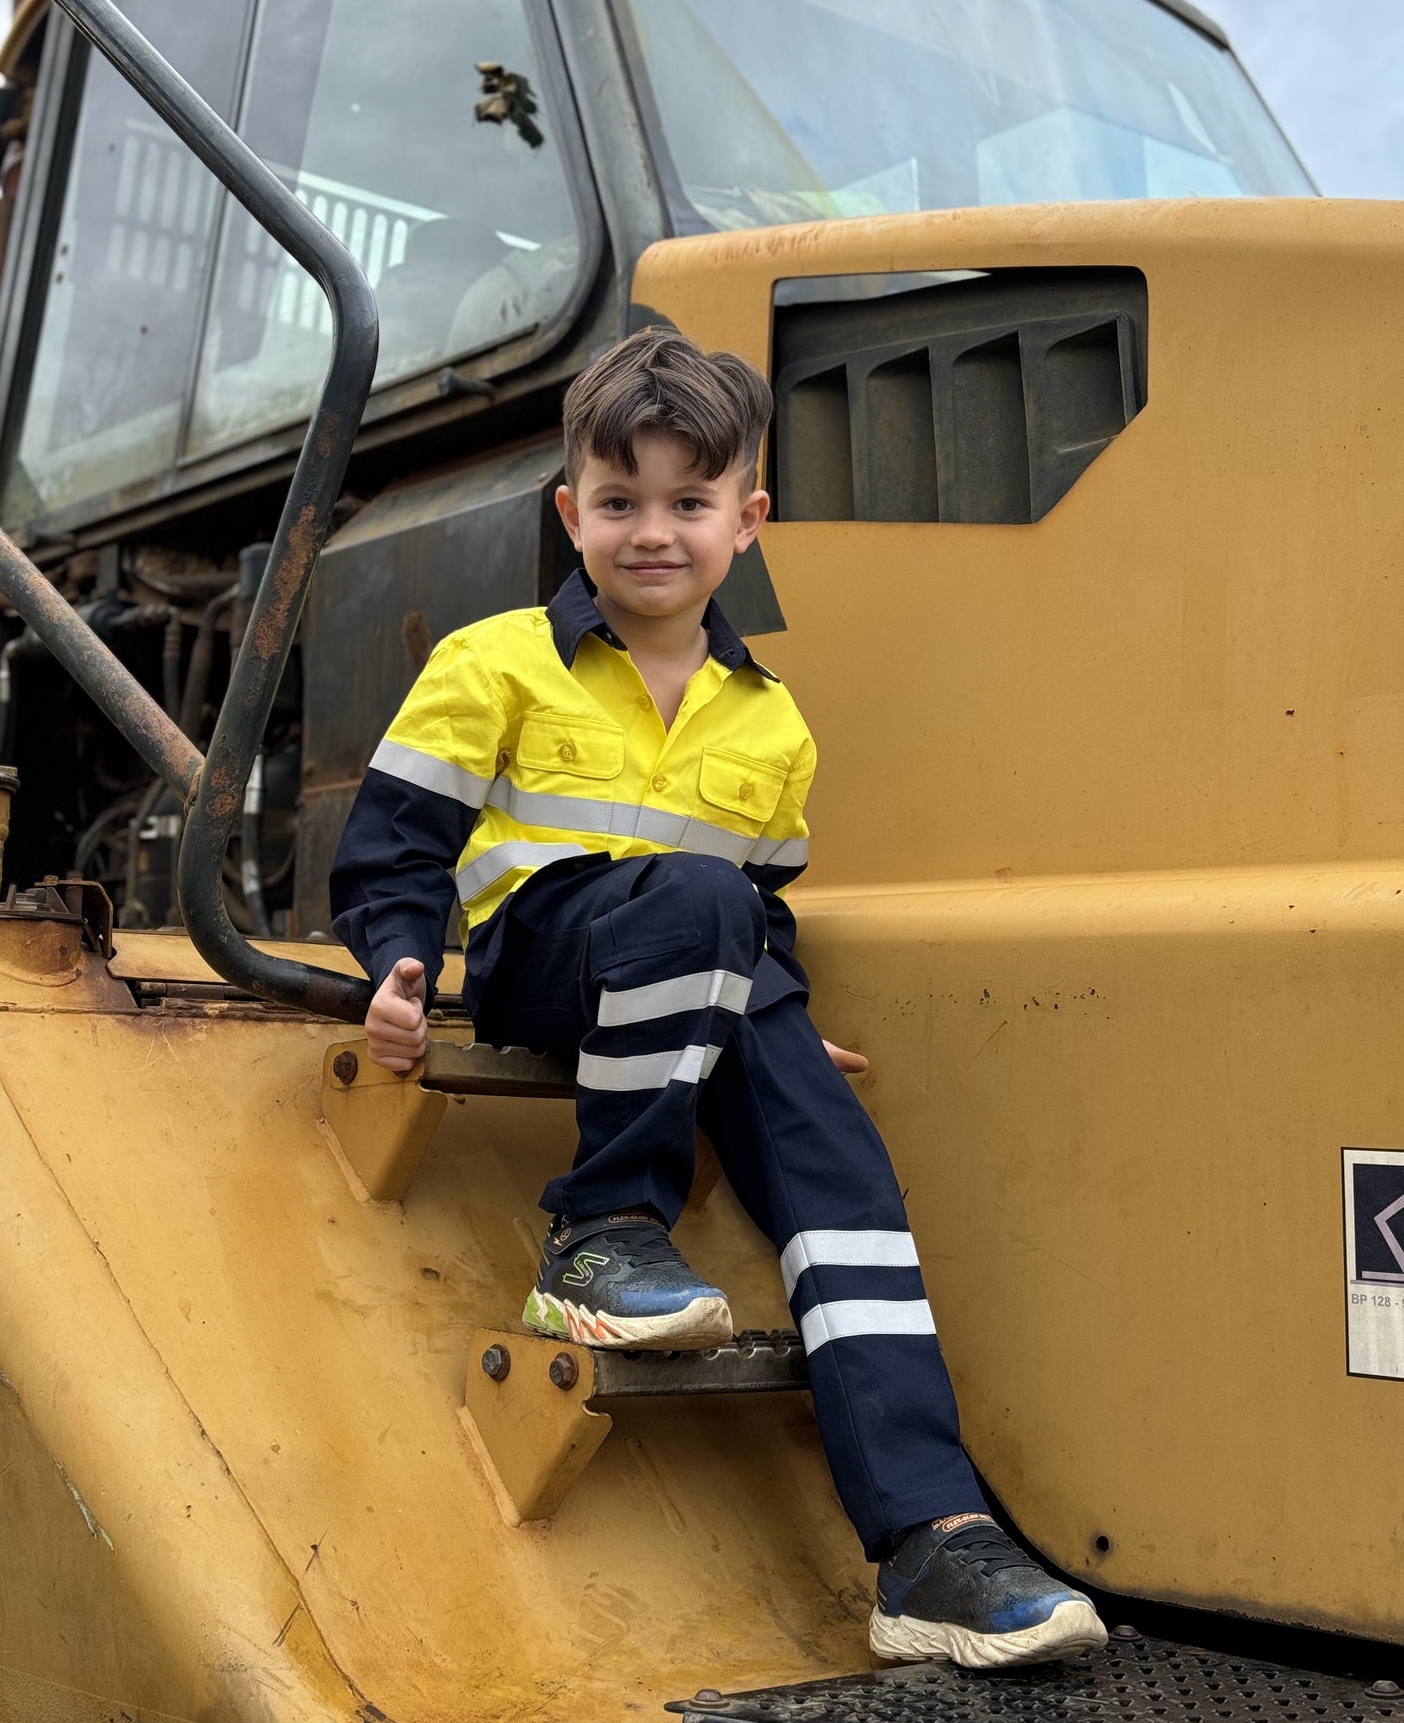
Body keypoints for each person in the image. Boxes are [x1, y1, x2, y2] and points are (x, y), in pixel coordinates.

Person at [330, 328, 1106, 1671]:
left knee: (837, 1164)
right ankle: (597, 1237)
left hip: (694, 967)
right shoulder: (493, 660)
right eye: (619, 502)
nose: (651, 532)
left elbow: (766, 905)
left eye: (687, 503)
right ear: (569, 511)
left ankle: (927, 1540)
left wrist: (779, 1011)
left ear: (744, 522)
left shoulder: (772, 718)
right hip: (546, 966)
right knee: (696, 901)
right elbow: (392, 846)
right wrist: (395, 968)